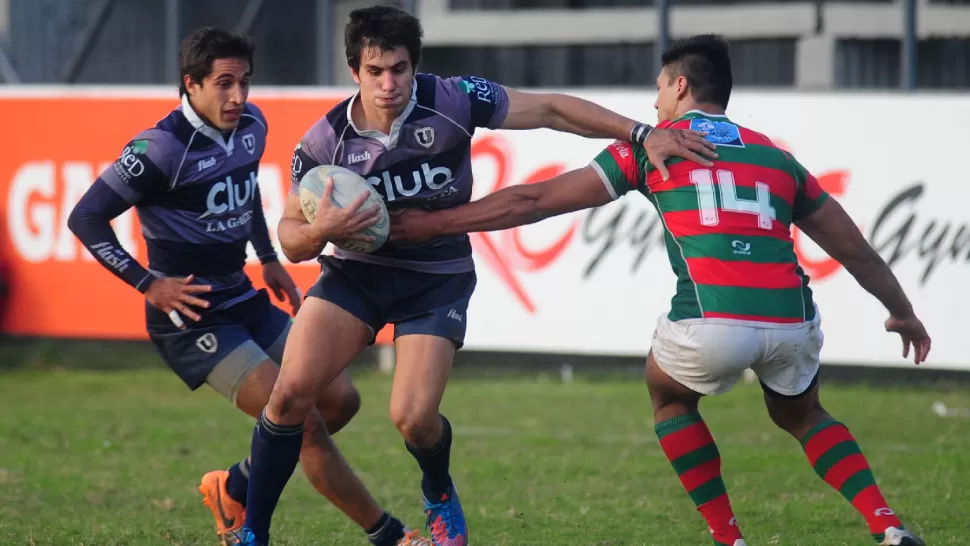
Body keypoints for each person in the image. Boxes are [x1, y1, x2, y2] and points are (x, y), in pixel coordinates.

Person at [388, 34, 930, 546]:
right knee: (804, 414)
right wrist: (902, 313)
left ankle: (728, 536)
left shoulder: (653, 150)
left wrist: (437, 224)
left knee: (668, 394)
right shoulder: (777, 157)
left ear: (679, 87)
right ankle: (886, 525)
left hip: (710, 323)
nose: (653, 108)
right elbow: (854, 249)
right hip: (792, 321)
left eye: (657, 89)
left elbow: (533, 201)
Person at [233, 6, 718, 546]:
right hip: (355, 276)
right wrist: (321, 228)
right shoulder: (325, 141)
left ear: (414, 66)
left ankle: (437, 489)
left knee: (414, 419)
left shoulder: (455, 99)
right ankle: (253, 533)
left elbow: (552, 109)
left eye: (399, 69)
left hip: (434, 275)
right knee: (289, 396)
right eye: (375, 72)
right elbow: (291, 238)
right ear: (355, 71)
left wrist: (640, 132)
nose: (389, 84)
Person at [67, 26, 431, 546]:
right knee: (300, 423)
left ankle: (233, 485)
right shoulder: (158, 149)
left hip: (242, 296)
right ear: (190, 84)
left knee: (340, 401)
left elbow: (243, 196)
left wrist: (268, 258)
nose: (238, 96)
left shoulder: (252, 124)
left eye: (244, 82)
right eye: (223, 84)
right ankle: (388, 535)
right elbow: (85, 219)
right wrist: (150, 284)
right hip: (192, 318)